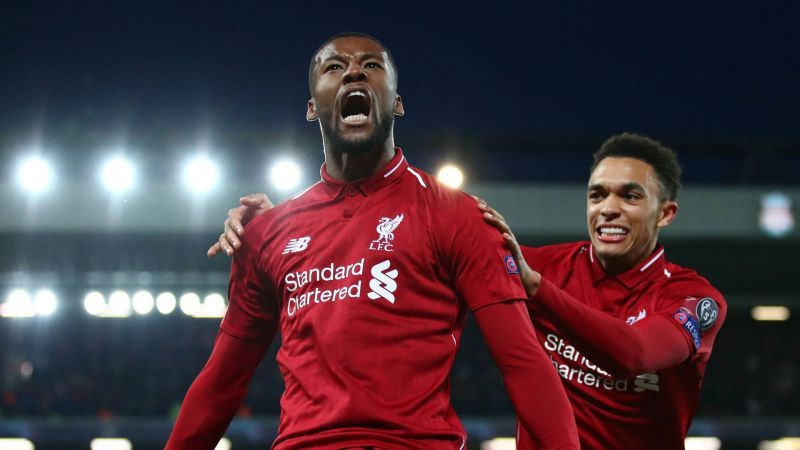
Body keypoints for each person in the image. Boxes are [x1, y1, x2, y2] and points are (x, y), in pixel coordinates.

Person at [167, 32, 579, 450]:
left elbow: (523, 364)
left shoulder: (459, 216)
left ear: (397, 102)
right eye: (334, 67)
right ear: (312, 108)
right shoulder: (266, 234)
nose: (353, 72)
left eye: (372, 65)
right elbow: (221, 382)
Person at [214, 133, 726, 450]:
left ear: (666, 213)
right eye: (597, 194)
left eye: (630, 196)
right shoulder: (539, 266)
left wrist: (536, 289)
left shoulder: (694, 300)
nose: (608, 208)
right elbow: (406, 265)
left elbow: (635, 354)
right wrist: (278, 226)